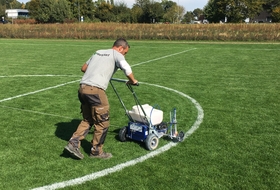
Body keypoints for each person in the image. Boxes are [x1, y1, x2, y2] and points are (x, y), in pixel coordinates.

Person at [64, 38, 138, 159]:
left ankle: (73, 144)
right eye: (125, 53)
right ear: (121, 48)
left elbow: (83, 68)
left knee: (88, 119)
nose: (124, 55)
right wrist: (132, 81)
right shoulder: (117, 54)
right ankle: (96, 152)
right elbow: (126, 68)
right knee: (103, 122)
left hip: (82, 88)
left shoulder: (98, 52)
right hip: (95, 91)